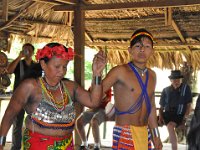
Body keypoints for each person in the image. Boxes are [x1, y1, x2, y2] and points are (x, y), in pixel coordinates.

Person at [0, 42, 106, 149]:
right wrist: (1, 143)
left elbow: (93, 102)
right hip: (37, 145)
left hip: (66, 145)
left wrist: (97, 73)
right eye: (57, 66)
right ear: (43, 64)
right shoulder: (30, 86)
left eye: (64, 67)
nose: (62, 71)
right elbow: (9, 114)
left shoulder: (70, 87)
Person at [100, 29, 162, 150]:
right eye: (138, 46)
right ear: (130, 50)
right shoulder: (119, 71)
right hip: (125, 132)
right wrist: (96, 75)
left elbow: (152, 107)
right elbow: (95, 95)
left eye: (147, 46)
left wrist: (156, 135)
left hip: (145, 132)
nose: (142, 49)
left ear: (152, 51)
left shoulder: (152, 75)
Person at [6, 43, 35, 150]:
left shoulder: (35, 66)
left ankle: (32, 146)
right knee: (17, 124)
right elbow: (9, 71)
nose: (26, 51)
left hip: (31, 98)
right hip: (18, 98)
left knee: (34, 123)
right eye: (24, 49)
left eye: (28, 50)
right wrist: (19, 57)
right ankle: (16, 147)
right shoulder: (19, 63)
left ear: (32, 52)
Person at [158, 70, 192, 150]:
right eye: (174, 79)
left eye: (178, 79)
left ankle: (174, 148)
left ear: (181, 80)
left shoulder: (186, 88)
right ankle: (157, 146)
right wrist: (160, 117)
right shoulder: (165, 90)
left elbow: (189, 105)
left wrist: (185, 118)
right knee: (151, 123)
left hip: (180, 116)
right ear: (171, 80)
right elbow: (161, 107)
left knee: (170, 126)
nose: (176, 81)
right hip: (167, 115)